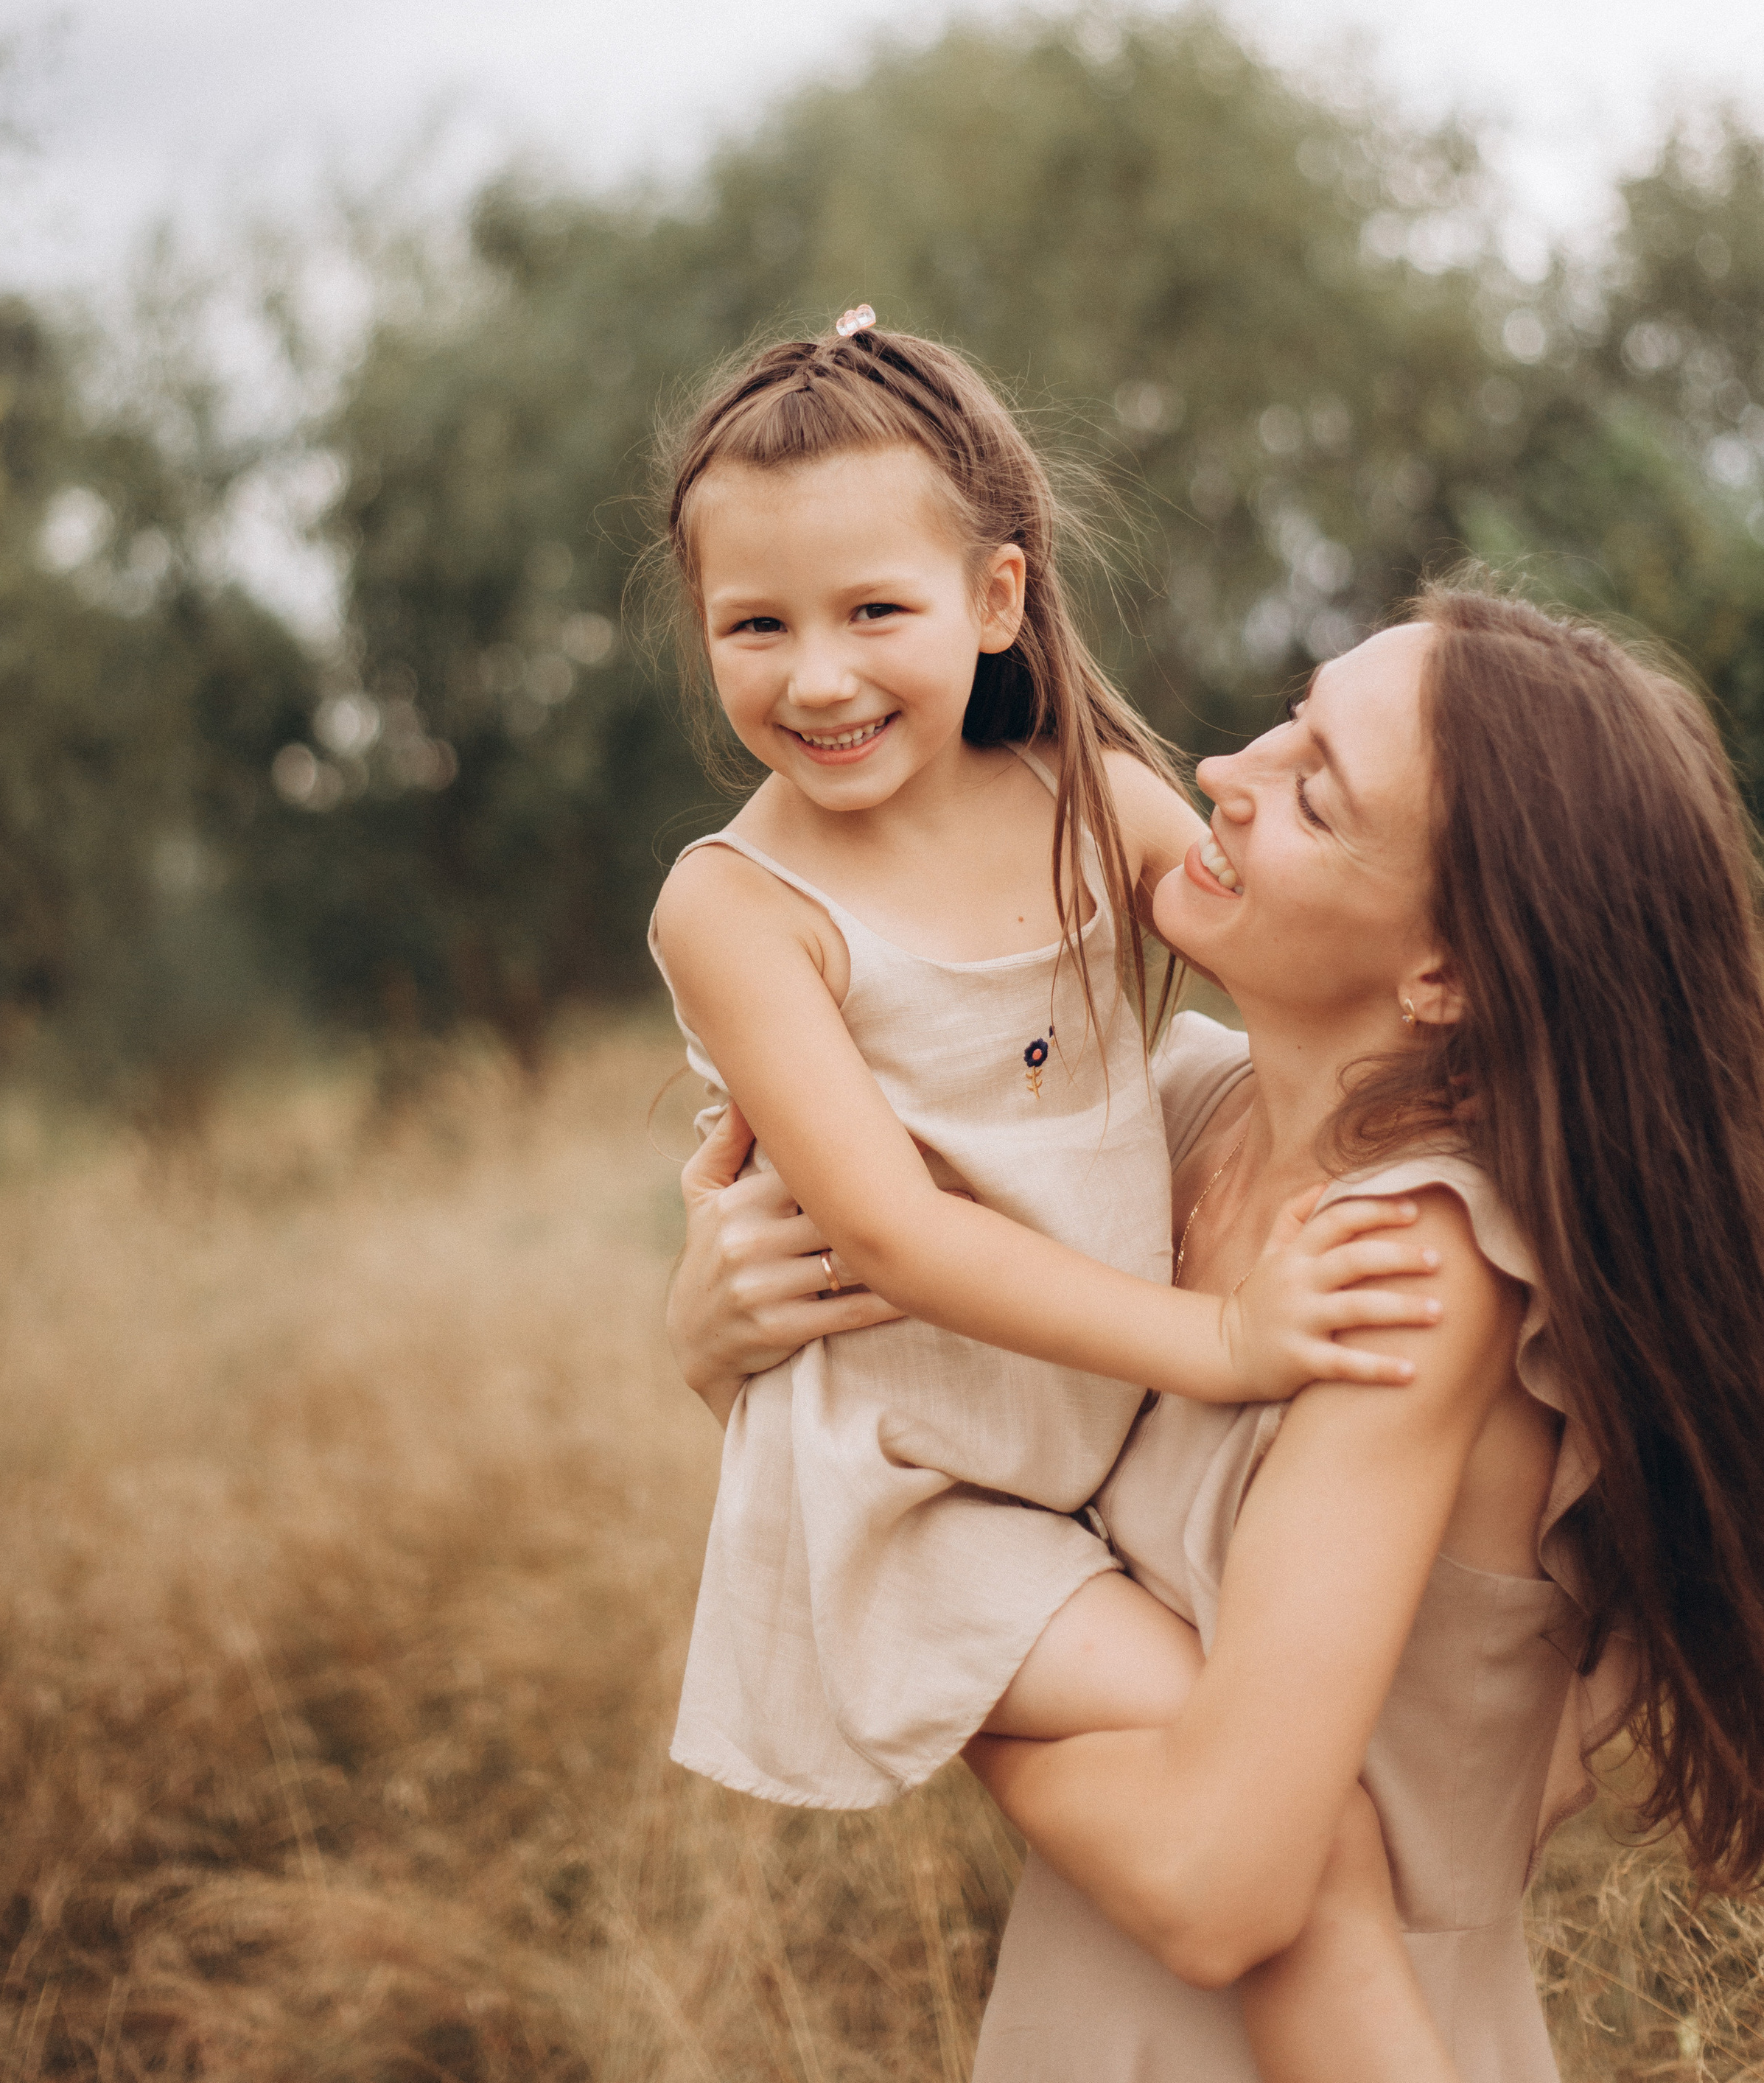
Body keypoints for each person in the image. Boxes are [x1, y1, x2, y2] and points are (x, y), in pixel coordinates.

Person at [670, 584, 1764, 2077]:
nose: (1217, 778)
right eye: (1287, 722)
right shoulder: (1171, 1115)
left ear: (1444, 973)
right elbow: (906, 1405)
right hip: (1083, 2014)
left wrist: (941, 1661)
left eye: (1311, 795)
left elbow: (1220, 1882)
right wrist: (721, 1333)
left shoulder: (1415, 1265)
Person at [645, 310, 1455, 2083]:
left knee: (1289, 1832)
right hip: (922, 1496)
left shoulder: (1088, 798)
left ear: (996, 600)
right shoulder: (738, 908)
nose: (818, 677)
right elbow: (886, 1232)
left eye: (875, 612)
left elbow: (1306, 966)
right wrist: (1226, 1337)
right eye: (753, 625)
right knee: (1291, 1838)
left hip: (1084, 1465)